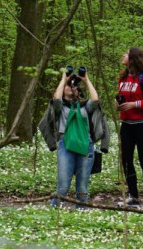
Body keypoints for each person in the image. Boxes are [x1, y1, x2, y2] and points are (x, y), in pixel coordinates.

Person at [116, 47, 143, 209]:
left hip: (142, 126)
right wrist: (118, 103)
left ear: (133, 59)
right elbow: (123, 97)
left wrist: (135, 104)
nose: (123, 55)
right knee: (126, 160)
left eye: (126, 54)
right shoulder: (123, 78)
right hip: (126, 125)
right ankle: (133, 195)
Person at [50, 69, 99, 209]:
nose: (72, 87)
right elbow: (56, 99)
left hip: (86, 144)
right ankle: (54, 211)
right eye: (69, 86)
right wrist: (63, 80)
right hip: (66, 144)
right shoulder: (61, 108)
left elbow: (95, 99)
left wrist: (86, 80)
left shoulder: (84, 107)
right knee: (63, 185)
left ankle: (81, 213)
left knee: (82, 186)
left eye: (75, 86)